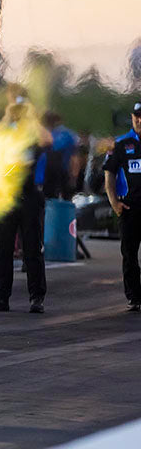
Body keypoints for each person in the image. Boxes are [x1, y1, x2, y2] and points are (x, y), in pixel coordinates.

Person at [0, 96, 51, 314]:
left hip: (29, 196)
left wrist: (31, 117)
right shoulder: (4, 132)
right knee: (4, 249)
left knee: (32, 249)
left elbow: (48, 140)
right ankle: (1, 296)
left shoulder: (33, 132)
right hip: (6, 195)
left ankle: (36, 298)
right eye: (15, 109)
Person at [102, 102, 141, 311]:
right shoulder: (122, 144)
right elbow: (109, 172)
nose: (140, 120)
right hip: (129, 207)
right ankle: (134, 296)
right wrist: (114, 201)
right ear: (132, 117)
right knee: (129, 253)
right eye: (137, 116)